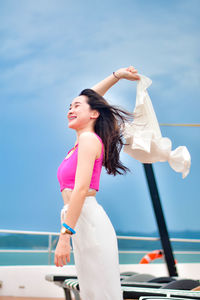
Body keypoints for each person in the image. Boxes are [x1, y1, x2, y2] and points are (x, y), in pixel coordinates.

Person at [55, 66, 140, 300]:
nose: (70, 110)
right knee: (92, 292)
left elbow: (81, 189)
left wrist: (64, 237)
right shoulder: (80, 143)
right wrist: (118, 76)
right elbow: (89, 97)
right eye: (69, 107)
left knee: (101, 292)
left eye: (76, 106)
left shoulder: (90, 140)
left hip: (88, 219)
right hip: (78, 220)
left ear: (93, 114)